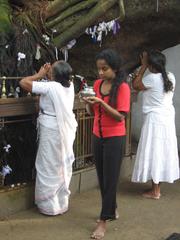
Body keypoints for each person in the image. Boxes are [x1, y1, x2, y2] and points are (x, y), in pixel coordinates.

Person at [83, 49, 130, 239]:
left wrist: (101, 103)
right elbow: (92, 112)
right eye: (99, 69)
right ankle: (113, 208)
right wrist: (87, 102)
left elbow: (120, 116)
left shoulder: (123, 88)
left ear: (115, 69)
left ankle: (104, 221)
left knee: (110, 179)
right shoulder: (97, 84)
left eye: (105, 69)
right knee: (102, 178)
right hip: (97, 135)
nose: (101, 73)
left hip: (115, 137)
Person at [19, 61, 77, 215]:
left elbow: (23, 82)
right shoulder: (70, 86)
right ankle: (61, 204)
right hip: (62, 129)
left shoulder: (51, 87)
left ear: (55, 75)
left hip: (51, 129)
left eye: (51, 70)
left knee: (47, 166)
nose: (48, 70)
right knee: (59, 166)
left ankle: (49, 207)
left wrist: (39, 75)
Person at [131, 50, 180, 199]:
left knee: (155, 152)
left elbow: (135, 85)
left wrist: (143, 66)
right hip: (166, 119)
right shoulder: (170, 76)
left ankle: (155, 191)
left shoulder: (151, 78)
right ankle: (156, 188)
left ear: (151, 65)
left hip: (155, 121)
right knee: (162, 152)